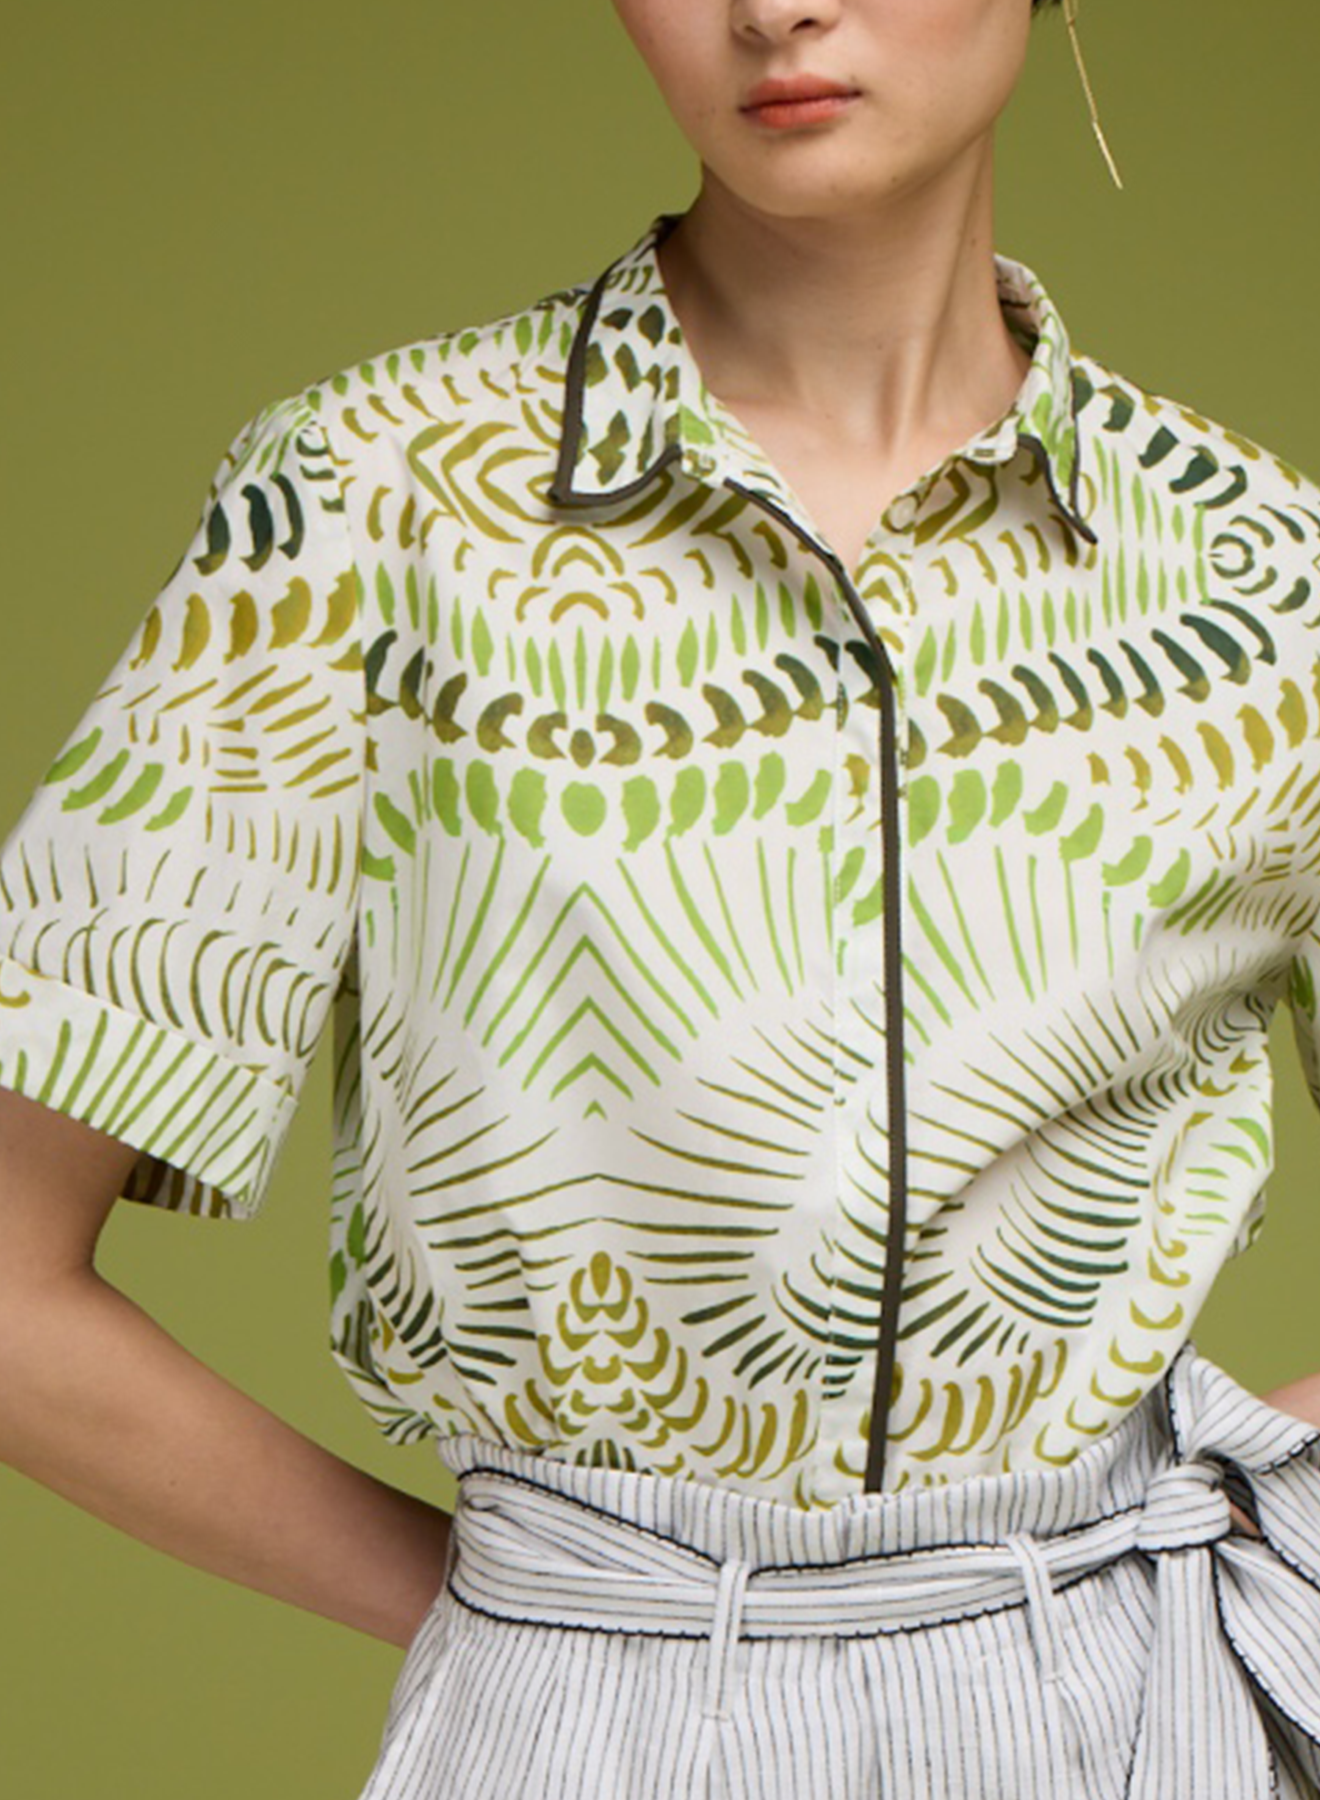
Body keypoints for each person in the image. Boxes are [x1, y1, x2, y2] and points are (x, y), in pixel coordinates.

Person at [3, 0, 1320, 1794]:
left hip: (1135, 1714)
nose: (774, 8)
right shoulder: (368, 500)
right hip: (581, 1712)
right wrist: (521, 1621)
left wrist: (1242, 1516)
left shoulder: (1262, 574)